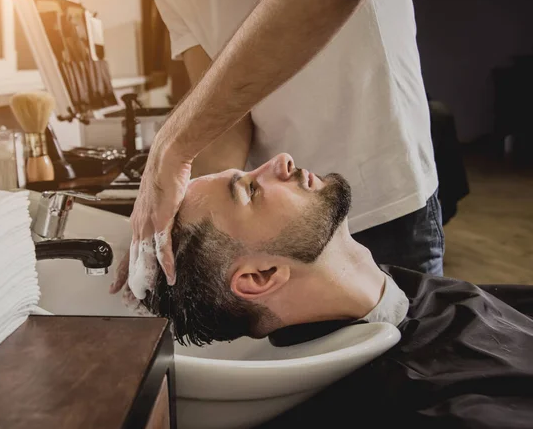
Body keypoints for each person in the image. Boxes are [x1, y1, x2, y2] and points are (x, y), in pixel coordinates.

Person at [112, 153, 533, 429]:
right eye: (251, 190)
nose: (280, 160)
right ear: (262, 276)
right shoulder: (436, 404)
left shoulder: (408, 301)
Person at [123, 0, 443, 297]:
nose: (284, 161)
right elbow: (224, 122)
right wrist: (172, 252)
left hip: (382, 192)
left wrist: (172, 145)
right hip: (280, 236)